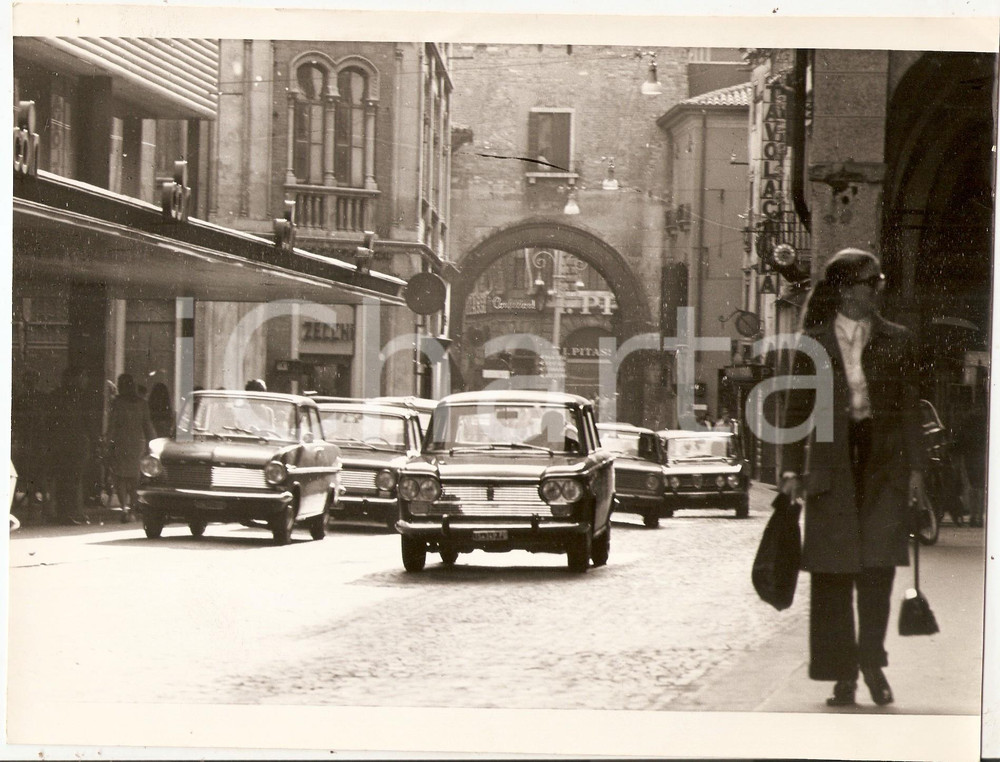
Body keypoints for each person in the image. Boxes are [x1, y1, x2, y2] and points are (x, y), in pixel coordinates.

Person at [780, 248, 925, 708]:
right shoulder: (812, 342)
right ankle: (841, 674)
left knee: (877, 572)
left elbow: (910, 407)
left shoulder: (897, 339)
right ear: (845, 289)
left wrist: (917, 469)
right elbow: (795, 410)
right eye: (870, 281)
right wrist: (790, 469)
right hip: (831, 466)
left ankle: (871, 664)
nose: (877, 288)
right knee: (833, 576)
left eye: (878, 281)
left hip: (884, 466)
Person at [106, 373, 157, 522]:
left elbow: (112, 425)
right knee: (134, 478)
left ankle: (124, 507)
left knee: (120, 477)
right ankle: (133, 510)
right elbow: (148, 425)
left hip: (120, 442)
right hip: (137, 444)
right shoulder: (142, 403)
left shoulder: (117, 403)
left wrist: (107, 441)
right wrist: (153, 442)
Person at [48, 367, 93, 525]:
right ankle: (70, 512)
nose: (86, 380)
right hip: (75, 442)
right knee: (73, 478)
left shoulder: (55, 395)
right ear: (76, 378)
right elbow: (86, 421)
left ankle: (63, 512)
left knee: (63, 477)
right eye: (83, 376)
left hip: (61, 441)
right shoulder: (80, 397)